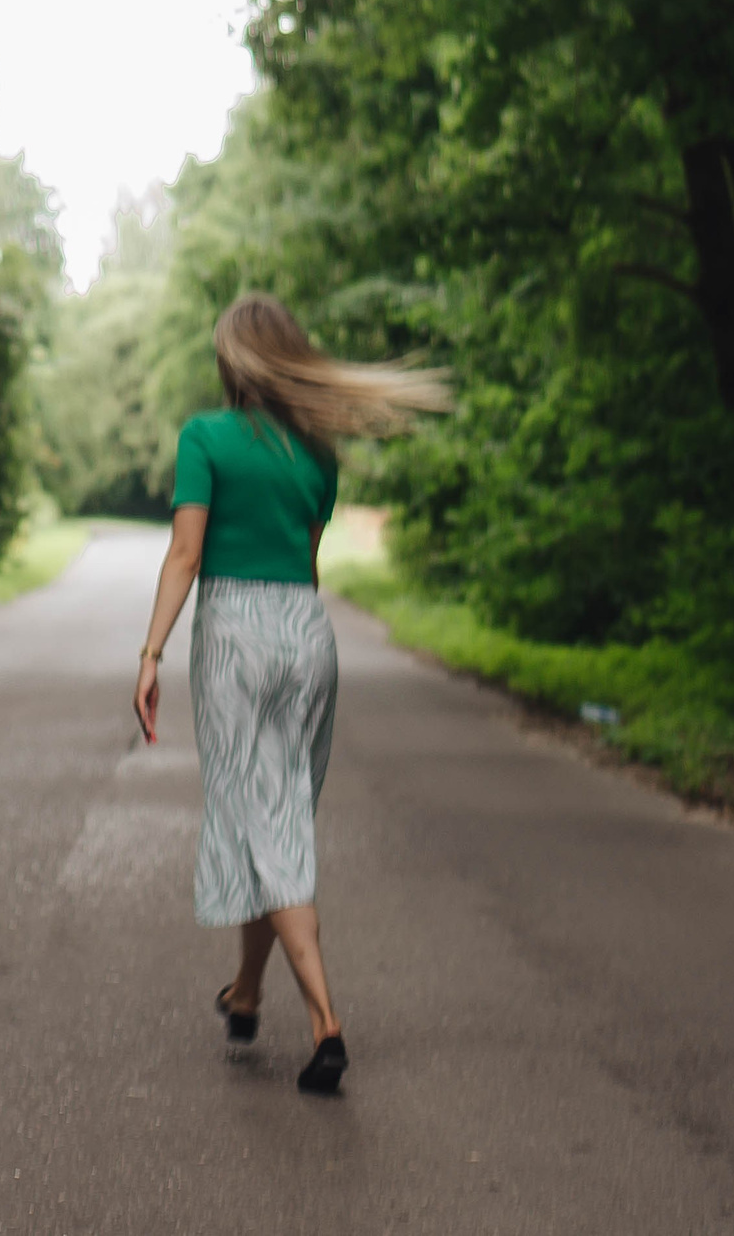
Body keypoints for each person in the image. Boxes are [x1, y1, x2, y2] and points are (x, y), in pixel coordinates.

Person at [132, 292, 448, 1095]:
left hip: (235, 633)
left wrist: (151, 651)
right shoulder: (318, 454)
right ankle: (246, 994)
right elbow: (308, 567)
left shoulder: (205, 437)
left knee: (265, 824)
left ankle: (325, 1022)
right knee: (273, 818)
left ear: (232, 360)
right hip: (308, 635)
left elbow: (184, 554)